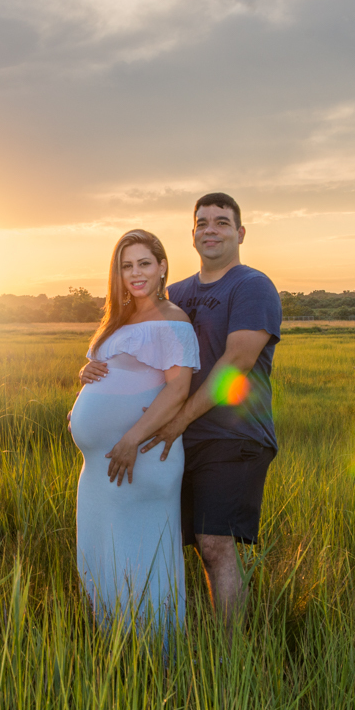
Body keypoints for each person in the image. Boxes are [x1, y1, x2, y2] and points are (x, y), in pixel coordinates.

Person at [80, 193, 281, 630]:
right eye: (202, 222)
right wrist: (94, 365)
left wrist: (177, 420)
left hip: (233, 435)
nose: (211, 229)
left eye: (222, 222)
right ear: (191, 236)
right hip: (177, 441)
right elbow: (143, 348)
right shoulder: (180, 293)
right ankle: (167, 631)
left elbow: (236, 365)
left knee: (215, 545)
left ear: (240, 232)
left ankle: (230, 661)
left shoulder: (251, 285)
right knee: (172, 542)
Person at [68, 229, 200, 637]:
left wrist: (130, 440)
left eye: (144, 263)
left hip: (139, 458)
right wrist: (84, 374)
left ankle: (156, 653)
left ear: (162, 267)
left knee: (139, 554)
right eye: (127, 266)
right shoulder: (120, 318)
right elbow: (113, 373)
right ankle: (114, 644)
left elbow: (178, 388)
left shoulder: (173, 320)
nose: (135, 273)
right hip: (99, 467)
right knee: (101, 551)